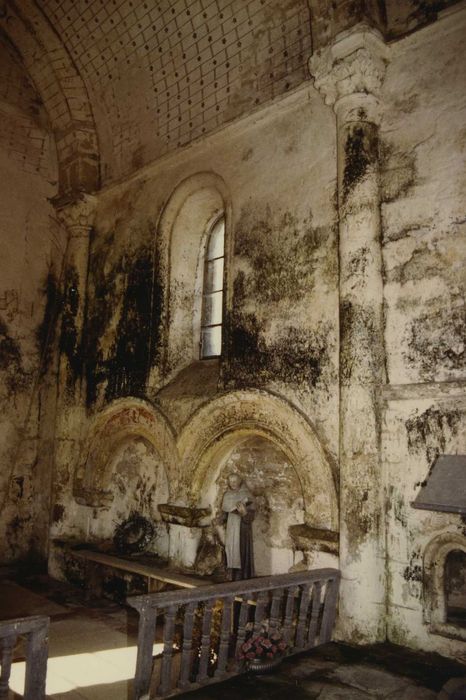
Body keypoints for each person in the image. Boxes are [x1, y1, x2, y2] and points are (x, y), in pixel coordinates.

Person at [220, 473, 255, 580]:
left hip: (242, 528)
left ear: (240, 481)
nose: (233, 483)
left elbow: (251, 515)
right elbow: (225, 512)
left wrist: (244, 513)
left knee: (241, 551)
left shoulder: (247, 494)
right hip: (231, 526)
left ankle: (242, 576)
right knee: (230, 549)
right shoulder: (227, 495)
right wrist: (220, 519)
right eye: (230, 481)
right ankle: (230, 572)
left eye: (235, 481)